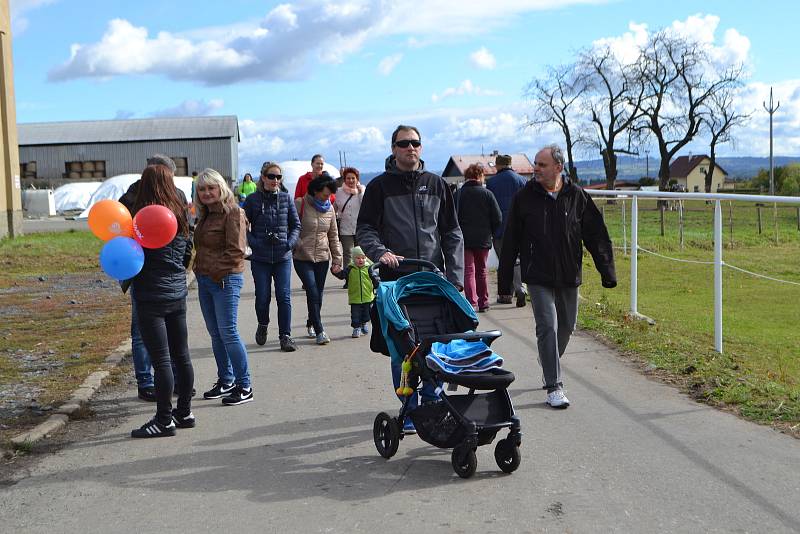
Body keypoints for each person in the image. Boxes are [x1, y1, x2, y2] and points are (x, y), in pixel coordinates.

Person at [356, 124, 464, 432]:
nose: (410, 148)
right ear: (393, 148)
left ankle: (431, 404)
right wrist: (380, 252)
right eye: (404, 143)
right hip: (395, 283)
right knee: (402, 349)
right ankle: (409, 407)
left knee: (435, 344)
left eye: (415, 142)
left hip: (432, 279)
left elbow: (452, 232)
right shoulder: (379, 187)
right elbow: (366, 228)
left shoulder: (437, 184)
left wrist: (455, 277)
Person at [498, 144, 616, 409]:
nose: (536, 169)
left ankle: (548, 357)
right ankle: (554, 386)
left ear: (558, 167)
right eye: (536, 164)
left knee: (567, 326)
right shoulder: (524, 197)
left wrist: (607, 270)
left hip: (568, 273)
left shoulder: (577, 196)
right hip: (537, 274)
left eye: (541, 165)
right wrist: (505, 282)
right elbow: (510, 241)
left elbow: (596, 235)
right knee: (547, 326)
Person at [129, 164, 194, 438]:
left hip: (151, 296)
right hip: (177, 292)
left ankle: (164, 420)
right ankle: (185, 411)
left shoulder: (142, 217)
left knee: (162, 361)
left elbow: (132, 256)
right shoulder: (180, 213)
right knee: (181, 355)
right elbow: (188, 250)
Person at [119, 154, 180, 403]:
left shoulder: (176, 196)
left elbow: (184, 234)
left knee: (171, 334)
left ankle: (171, 381)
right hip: (142, 275)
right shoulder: (131, 197)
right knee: (141, 332)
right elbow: (121, 235)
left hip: (166, 274)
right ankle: (145, 382)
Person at [192, 168, 254, 405]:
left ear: (221, 188)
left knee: (228, 332)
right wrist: (199, 270)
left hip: (225, 279)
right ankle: (226, 380)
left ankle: (244, 384)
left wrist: (216, 274)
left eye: (211, 188)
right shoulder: (205, 215)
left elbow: (236, 251)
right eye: (202, 189)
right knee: (215, 334)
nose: (207, 193)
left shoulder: (234, 212)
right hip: (206, 279)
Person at [243, 162, 300, 352]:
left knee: (284, 296)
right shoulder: (252, 200)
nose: (275, 180)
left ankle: (286, 336)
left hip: (282, 256)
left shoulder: (286, 198)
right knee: (262, 297)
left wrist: (288, 243)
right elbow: (242, 226)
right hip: (260, 258)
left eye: (278, 177)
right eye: (271, 176)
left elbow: (296, 225)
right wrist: (255, 242)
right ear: (263, 177)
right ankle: (263, 323)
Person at [294, 174, 343, 344]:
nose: (327, 198)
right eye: (324, 194)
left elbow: (333, 235)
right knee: (312, 290)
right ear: (315, 191)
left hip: (322, 256)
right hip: (302, 256)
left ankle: (311, 322)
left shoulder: (329, 209)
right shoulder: (300, 204)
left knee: (318, 294)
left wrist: (337, 259)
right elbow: (291, 228)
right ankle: (320, 330)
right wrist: (297, 242)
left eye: (329, 195)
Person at [456, 163, 502, 313]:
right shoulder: (487, 194)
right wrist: (490, 231)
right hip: (483, 238)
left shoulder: (458, 194)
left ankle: (471, 302)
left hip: (464, 239)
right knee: (481, 270)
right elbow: (498, 217)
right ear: (479, 176)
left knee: (468, 270)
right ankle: (484, 302)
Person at [486, 153, 528, 307]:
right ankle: (520, 288)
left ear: (498, 165)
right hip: (520, 227)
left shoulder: (492, 183)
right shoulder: (522, 180)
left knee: (504, 261)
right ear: (510, 164)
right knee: (517, 259)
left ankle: (506, 295)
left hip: (499, 228)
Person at [332, 246, 374, 337]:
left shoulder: (369, 268)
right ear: (353, 259)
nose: (361, 260)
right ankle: (356, 328)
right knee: (355, 315)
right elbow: (342, 275)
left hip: (368, 297)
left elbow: (375, 279)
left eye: (363, 258)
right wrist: (336, 272)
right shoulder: (350, 268)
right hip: (355, 297)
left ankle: (364, 323)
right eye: (358, 258)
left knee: (367, 314)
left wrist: (377, 286)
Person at [333, 166, 365, 287]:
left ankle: (362, 277)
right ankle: (349, 278)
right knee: (348, 253)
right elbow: (334, 207)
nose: (350, 181)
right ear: (344, 179)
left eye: (353, 178)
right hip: (345, 228)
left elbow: (366, 206)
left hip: (360, 227)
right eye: (348, 178)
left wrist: (360, 192)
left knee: (361, 253)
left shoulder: (363, 190)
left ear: (357, 179)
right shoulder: (339, 192)